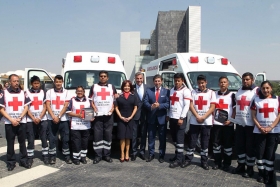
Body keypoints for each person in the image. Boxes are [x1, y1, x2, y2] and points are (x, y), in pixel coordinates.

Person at [0, 74, 31, 171]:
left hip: (21, 122)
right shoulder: (3, 93)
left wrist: (19, 118)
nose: (16, 83)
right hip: (9, 123)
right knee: (10, 142)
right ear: (9, 82)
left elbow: (26, 107)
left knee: (22, 142)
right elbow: (1, 109)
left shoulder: (23, 93)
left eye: (18, 81)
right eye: (14, 81)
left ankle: (23, 160)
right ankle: (11, 162)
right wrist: (11, 120)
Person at [251, 81, 280, 185]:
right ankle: (261, 173)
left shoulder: (277, 99)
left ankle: (268, 174)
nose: (265, 90)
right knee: (260, 153)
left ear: (271, 88)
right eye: (263, 88)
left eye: (267, 88)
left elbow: (279, 115)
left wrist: (270, 127)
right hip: (259, 131)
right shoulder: (256, 99)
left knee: (270, 154)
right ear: (260, 89)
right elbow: (253, 115)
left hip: (273, 131)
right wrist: (260, 127)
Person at [185, 74, 216, 170]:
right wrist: (197, 116)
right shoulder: (193, 92)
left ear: (206, 82)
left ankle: (204, 161)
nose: (201, 85)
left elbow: (213, 107)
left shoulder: (211, 93)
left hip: (206, 122)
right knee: (192, 141)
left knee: (205, 142)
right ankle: (188, 159)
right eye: (199, 83)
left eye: (202, 83)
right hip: (195, 121)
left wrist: (204, 117)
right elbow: (190, 105)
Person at [232, 72, 259, 178]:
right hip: (239, 123)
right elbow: (236, 105)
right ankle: (241, 165)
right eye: (243, 79)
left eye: (247, 79)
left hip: (251, 125)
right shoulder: (239, 90)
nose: (245, 81)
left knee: (250, 148)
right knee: (240, 146)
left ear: (252, 80)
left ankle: (250, 168)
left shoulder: (256, 91)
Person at [26, 75, 55, 165]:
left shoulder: (43, 92)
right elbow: (26, 107)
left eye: (38, 83)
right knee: (31, 139)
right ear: (31, 84)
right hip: (30, 120)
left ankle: (45, 156)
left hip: (42, 119)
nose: (36, 85)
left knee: (44, 138)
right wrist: (33, 117)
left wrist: (39, 117)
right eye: (34, 83)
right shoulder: (26, 92)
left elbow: (46, 106)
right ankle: (30, 157)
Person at [89, 70, 117, 164]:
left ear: (107, 78)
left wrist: (112, 109)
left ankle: (107, 155)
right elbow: (90, 101)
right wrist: (94, 110)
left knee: (108, 135)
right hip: (98, 116)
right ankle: (98, 156)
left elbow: (115, 100)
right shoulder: (94, 87)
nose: (103, 77)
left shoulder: (112, 87)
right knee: (97, 136)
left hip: (109, 115)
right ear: (99, 77)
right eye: (101, 76)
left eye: (105, 76)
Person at [143, 74, 170, 163]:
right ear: (153, 82)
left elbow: (168, 104)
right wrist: (151, 106)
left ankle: (161, 155)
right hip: (151, 118)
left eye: (159, 81)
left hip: (162, 118)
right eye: (156, 81)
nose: (157, 82)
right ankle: (151, 154)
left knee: (162, 138)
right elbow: (145, 102)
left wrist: (160, 106)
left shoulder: (166, 92)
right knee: (151, 137)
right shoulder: (149, 91)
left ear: (161, 81)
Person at [167, 73, 191, 168]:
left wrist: (182, 117)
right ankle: (177, 155)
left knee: (180, 140)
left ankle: (179, 159)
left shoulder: (186, 91)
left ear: (182, 81)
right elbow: (170, 104)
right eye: (175, 80)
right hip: (172, 118)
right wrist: (168, 115)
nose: (177, 82)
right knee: (175, 139)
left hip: (180, 119)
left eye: (179, 81)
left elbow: (187, 105)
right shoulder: (172, 90)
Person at [46, 75, 72, 164]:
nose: (58, 83)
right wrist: (53, 116)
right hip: (51, 119)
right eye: (56, 81)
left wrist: (59, 116)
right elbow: (48, 105)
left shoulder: (67, 92)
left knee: (65, 139)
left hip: (63, 119)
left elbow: (66, 105)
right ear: (54, 82)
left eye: (60, 82)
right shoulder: (49, 92)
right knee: (52, 139)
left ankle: (66, 156)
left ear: (62, 82)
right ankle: (52, 157)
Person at [212, 76, 235, 171]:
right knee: (216, 144)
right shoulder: (214, 94)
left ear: (228, 84)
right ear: (218, 84)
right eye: (221, 82)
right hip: (217, 124)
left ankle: (227, 164)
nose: (223, 84)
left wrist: (231, 120)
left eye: (225, 82)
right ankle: (217, 162)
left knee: (228, 145)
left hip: (227, 124)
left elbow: (235, 110)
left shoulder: (232, 95)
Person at [66, 86, 92, 165]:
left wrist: (91, 117)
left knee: (85, 142)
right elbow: (68, 112)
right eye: (78, 91)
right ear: (76, 92)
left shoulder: (88, 100)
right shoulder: (72, 100)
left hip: (86, 125)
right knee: (76, 142)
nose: (79, 92)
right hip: (75, 125)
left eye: (81, 91)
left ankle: (83, 157)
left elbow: (91, 111)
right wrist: (78, 115)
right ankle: (76, 158)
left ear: (84, 92)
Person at [115, 80, 138, 162]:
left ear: (130, 87)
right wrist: (121, 117)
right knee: (122, 137)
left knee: (128, 137)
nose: (127, 87)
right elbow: (116, 107)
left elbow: (135, 107)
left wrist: (131, 116)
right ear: (122, 87)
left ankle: (127, 154)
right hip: (121, 119)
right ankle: (122, 154)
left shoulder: (133, 96)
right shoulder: (119, 96)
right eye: (125, 86)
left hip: (130, 119)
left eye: (128, 86)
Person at [131, 72, 148, 161]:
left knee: (143, 134)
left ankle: (142, 152)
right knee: (134, 134)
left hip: (145, 115)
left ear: (143, 78)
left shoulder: (147, 88)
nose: (139, 80)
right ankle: (133, 152)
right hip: (135, 114)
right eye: (137, 79)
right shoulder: (131, 88)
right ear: (135, 79)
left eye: (140, 78)